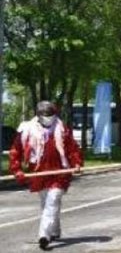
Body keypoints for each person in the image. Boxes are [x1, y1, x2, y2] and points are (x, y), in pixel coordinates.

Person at [9, 101, 83, 251]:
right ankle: (54, 231)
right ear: (38, 115)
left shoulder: (62, 129)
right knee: (46, 203)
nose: (49, 118)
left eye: (51, 114)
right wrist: (16, 169)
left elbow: (72, 148)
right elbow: (15, 151)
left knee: (53, 200)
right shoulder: (27, 130)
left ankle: (44, 236)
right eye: (45, 115)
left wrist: (76, 163)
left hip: (59, 172)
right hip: (39, 173)